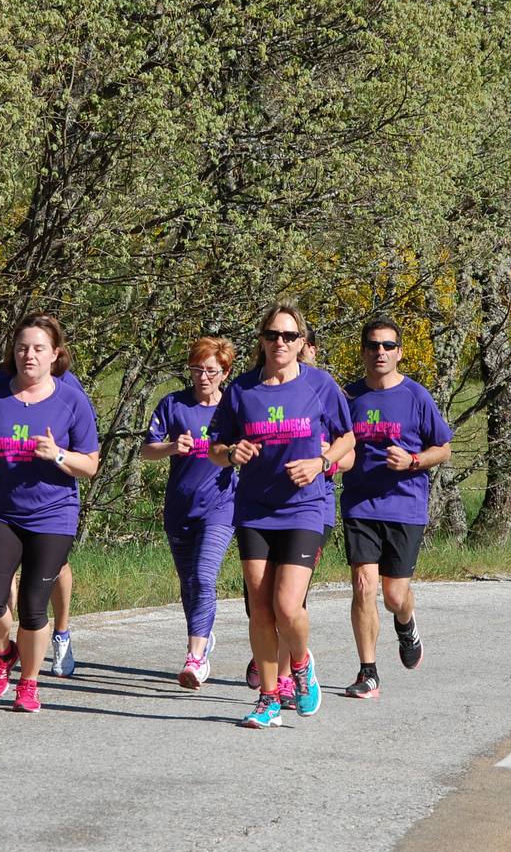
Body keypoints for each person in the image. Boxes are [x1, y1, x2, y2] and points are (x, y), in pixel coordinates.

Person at [210, 303, 355, 729]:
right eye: (272, 335)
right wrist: (231, 453)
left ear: (300, 343)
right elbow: (216, 447)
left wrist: (322, 462)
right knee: (260, 608)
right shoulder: (242, 391)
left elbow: (348, 438)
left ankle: (302, 663)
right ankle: (268, 697)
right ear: (262, 339)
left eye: (289, 337)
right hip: (255, 508)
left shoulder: (320, 386)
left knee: (288, 605)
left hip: (306, 507)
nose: (280, 343)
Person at [0, 314, 100, 712]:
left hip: (53, 515)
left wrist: (58, 454)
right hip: (2, 511)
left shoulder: (71, 400)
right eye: (23, 347)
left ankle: (29, 683)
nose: (30, 355)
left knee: (32, 605)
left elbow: (90, 464)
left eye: (39, 348)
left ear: (55, 355)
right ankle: (5, 652)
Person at [339, 317, 453, 698]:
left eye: (388, 346)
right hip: (360, 505)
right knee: (362, 585)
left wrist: (413, 462)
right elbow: (336, 444)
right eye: (373, 346)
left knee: (393, 596)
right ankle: (368, 672)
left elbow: (444, 447)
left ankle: (406, 624)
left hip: (405, 506)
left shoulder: (416, 396)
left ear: (400, 352)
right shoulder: (349, 398)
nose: (380, 352)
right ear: (363, 352)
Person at [141, 337, 238, 689]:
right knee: (188, 585)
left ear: (224, 372)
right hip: (180, 507)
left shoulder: (233, 406)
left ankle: (195, 657)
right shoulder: (173, 404)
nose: (202, 377)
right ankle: (202, 637)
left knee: (204, 576)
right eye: (196, 369)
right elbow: (145, 450)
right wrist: (170, 446)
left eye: (211, 370)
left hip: (221, 505)